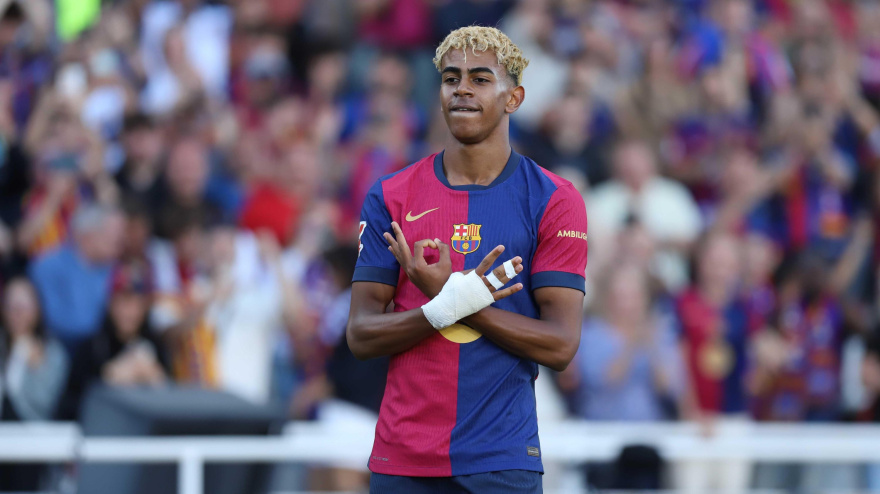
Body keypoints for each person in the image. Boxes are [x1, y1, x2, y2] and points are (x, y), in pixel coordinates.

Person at [347, 26, 589, 493]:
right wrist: (447, 305)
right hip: (404, 460)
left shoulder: (554, 199)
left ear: (513, 98)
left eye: (480, 79)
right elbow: (360, 334)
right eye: (451, 77)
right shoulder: (392, 196)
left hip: (502, 461)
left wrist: (452, 298)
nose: (461, 88)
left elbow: (560, 345)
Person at [0, 277, 69, 491]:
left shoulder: (53, 353)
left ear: (37, 308)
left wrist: (30, 367)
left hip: (33, 450)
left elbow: (42, 407)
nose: (18, 313)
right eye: (12, 305)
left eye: (24, 305)